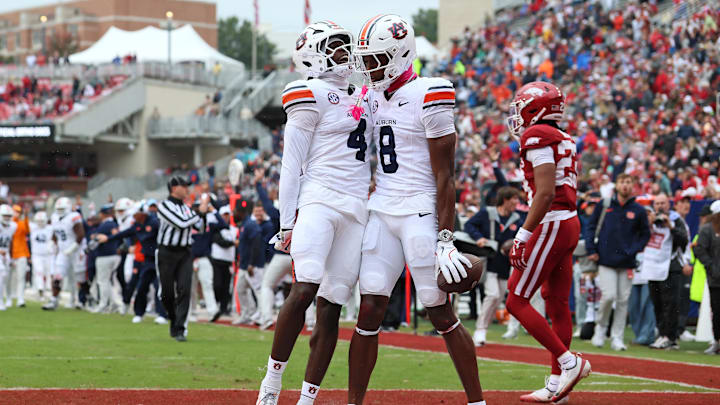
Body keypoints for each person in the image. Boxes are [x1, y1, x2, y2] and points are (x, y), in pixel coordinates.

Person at [348, 15, 483, 405]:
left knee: (438, 310)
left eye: (375, 59)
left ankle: (477, 401)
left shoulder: (431, 92)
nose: (369, 67)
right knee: (369, 307)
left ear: (399, 55)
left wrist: (445, 237)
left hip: (420, 210)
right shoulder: (372, 95)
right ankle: (353, 401)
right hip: (382, 208)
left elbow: (446, 176)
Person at [256, 21, 373, 405]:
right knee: (304, 286)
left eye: (346, 47)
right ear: (315, 54)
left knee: (332, 307)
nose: (346, 54)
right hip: (320, 200)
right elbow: (292, 164)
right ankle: (271, 386)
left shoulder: (366, 93)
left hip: (356, 208)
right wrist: (286, 222)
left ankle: (308, 398)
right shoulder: (309, 92)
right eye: (337, 48)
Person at [504, 81, 590, 403]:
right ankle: (557, 384)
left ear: (533, 107)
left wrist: (523, 234)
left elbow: (544, 192)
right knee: (556, 302)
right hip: (568, 222)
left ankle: (569, 363)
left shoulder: (536, 135)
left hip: (551, 221)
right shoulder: (563, 136)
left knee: (516, 300)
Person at [585, 173, 650, 351]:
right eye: (622, 182)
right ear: (617, 184)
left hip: (627, 262)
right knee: (609, 296)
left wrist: (634, 249)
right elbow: (590, 227)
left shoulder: (638, 210)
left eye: (628, 182)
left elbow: (645, 234)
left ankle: (617, 337)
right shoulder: (605, 204)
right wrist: (591, 249)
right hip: (605, 259)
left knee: (623, 301)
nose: (625, 186)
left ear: (633, 186)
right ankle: (600, 329)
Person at [465, 186, 525, 346]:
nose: (517, 202)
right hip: (489, 260)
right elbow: (469, 225)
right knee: (492, 295)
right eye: (514, 199)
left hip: (505, 264)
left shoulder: (516, 219)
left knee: (498, 297)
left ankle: (484, 327)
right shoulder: (487, 213)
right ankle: (480, 329)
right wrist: (479, 238)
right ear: (505, 199)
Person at [156, 176, 210, 342]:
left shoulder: (187, 208)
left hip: (185, 253)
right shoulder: (164, 206)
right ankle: (173, 318)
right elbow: (180, 223)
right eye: (184, 186)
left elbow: (199, 228)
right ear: (173, 188)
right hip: (167, 252)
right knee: (166, 293)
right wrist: (200, 211)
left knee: (185, 289)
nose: (187, 189)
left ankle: (180, 328)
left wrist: (204, 213)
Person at [642, 193, 689, 350]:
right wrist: (647, 225)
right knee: (657, 304)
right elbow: (638, 238)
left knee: (670, 304)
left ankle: (670, 337)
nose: (660, 206)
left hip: (670, 268)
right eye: (657, 204)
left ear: (668, 205)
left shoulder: (676, 220)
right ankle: (662, 334)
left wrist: (671, 227)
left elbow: (684, 241)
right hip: (652, 268)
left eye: (663, 203)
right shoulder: (649, 220)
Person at [44, 197, 87, 310]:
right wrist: (52, 243)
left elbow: (81, 235)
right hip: (63, 252)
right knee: (57, 276)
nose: (60, 210)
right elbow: (55, 233)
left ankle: (82, 300)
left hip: (77, 250)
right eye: (58, 208)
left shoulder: (74, 217)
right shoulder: (54, 217)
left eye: (62, 208)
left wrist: (72, 248)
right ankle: (54, 300)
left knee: (79, 277)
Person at [190, 195, 226, 322]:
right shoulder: (188, 222)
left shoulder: (209, 223)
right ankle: (191, 312)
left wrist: (213, 211)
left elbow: (223, 225)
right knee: (190, 287)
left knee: (207, 285)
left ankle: (213, 311)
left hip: (203, 257)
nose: (197, 210)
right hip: (189, 258)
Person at [693, 201, 720, 355]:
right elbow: (700, 250)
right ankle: (717, 340)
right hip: (715, 279)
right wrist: (711, 267)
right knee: (717, 310)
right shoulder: (707, 230)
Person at [90, 205, 124, 313]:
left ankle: (104, 304)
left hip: (105, 255)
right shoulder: (113, 223)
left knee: (103, 281)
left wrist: (95, 237)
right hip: (113, 255)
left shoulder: (106, 224)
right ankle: (115, 303)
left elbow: (97, 239)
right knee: (107, 281)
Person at [673, 190, 695, 342]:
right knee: (679, 298)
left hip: (683, 263)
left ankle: (680, 329)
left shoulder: (683, 222)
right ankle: (678, 330)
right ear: (676, 205)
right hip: (680, 265)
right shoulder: (676, 221)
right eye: (682, 202)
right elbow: (678, 247)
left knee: (683, 298)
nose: (686, 205)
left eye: (688, 202)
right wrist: (684, 263)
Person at [210, 205, 237, 318]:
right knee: (217, 284)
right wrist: (232, 243)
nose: (225, 217)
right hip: (217, 259)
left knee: (226, 286)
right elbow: (220, 241)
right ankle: (216, 304)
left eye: (227, 215)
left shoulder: (234, 229)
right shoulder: (216, 228)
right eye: (223, 215)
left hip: (228, 261)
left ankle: (224, 308)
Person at [29, 211, 55, 299]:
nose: (40, 223)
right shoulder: (32, 227)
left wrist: (52, 245)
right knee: (39, 271)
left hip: (48, 254)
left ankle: (49, 289)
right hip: (37, 254)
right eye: (38, 221)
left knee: (50, 272)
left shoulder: (50, 228)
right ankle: (40, 289)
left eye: (41, 221)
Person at [8, 205, 30, 308]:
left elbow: (27, 231)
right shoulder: (6, 225)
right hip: (9, 254)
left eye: (18, 212)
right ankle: (9, 298)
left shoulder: (20, 224)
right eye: (14, 211)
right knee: (7, 278)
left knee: (20, 277)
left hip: (21, 253)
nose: (16, 213)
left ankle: (20, 298)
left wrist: (26, 217)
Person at [0, 204, 17, 311]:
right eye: (4, 216)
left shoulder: (13, 226)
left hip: (6, 253)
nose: (7, 218)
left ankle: (4, 298)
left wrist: (11, 257)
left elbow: (10, 242)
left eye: (8, 216)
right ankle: (0, 300)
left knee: (5, 277)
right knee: (1, 274)